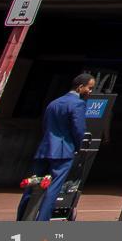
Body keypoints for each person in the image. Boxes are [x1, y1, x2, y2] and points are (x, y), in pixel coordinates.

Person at [28, 72, 94, 222]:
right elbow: (78, 129)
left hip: (45, 147)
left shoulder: (54, 103)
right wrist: (78, 146)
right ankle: (42, 220)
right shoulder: (78, 104)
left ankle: (24, 216)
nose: (90, 91)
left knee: (34, 184)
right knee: (54, 187)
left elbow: (45, 126)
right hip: (63, 149)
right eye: (89, 88)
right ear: (80, 87)